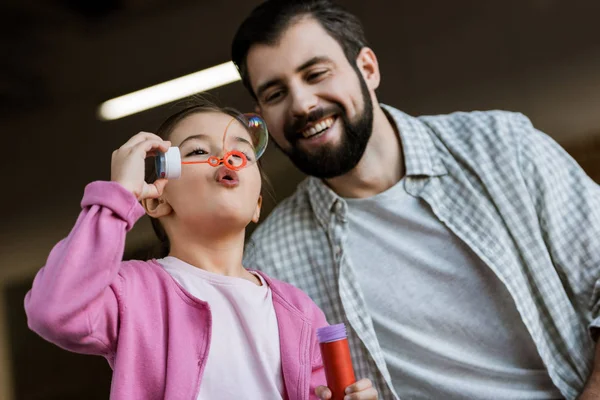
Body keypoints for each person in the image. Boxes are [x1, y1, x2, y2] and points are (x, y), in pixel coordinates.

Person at [231, 1, 600, 399]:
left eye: (316, 73)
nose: (302, 104)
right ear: (263, 116)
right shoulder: (269, 265)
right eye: (276, 93)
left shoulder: (504, 146)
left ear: (367, 69)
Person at [24, 97, 378, 400]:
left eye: (241, 152)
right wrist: (119, 197)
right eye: (197, 151)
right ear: (156, 201)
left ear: (256, 205)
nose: (227, 159)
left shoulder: (299, 310)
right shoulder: (133, 292)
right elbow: (54, 312)